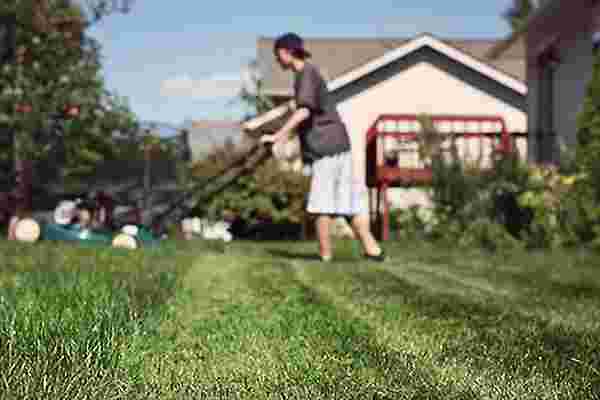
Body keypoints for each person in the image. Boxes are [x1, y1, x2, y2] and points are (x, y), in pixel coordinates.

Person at [260, 32, 386, 262]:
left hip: (326, 148)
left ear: (286, 52)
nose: (276, 60)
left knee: (321, 205)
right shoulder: (308, 74)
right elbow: (299, 108)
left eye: (277, 54)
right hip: (339, 144)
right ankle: (373, 250)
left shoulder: (305, 74)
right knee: (348, 204)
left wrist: (278, 136)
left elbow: (304, 110)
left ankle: (325, 257)